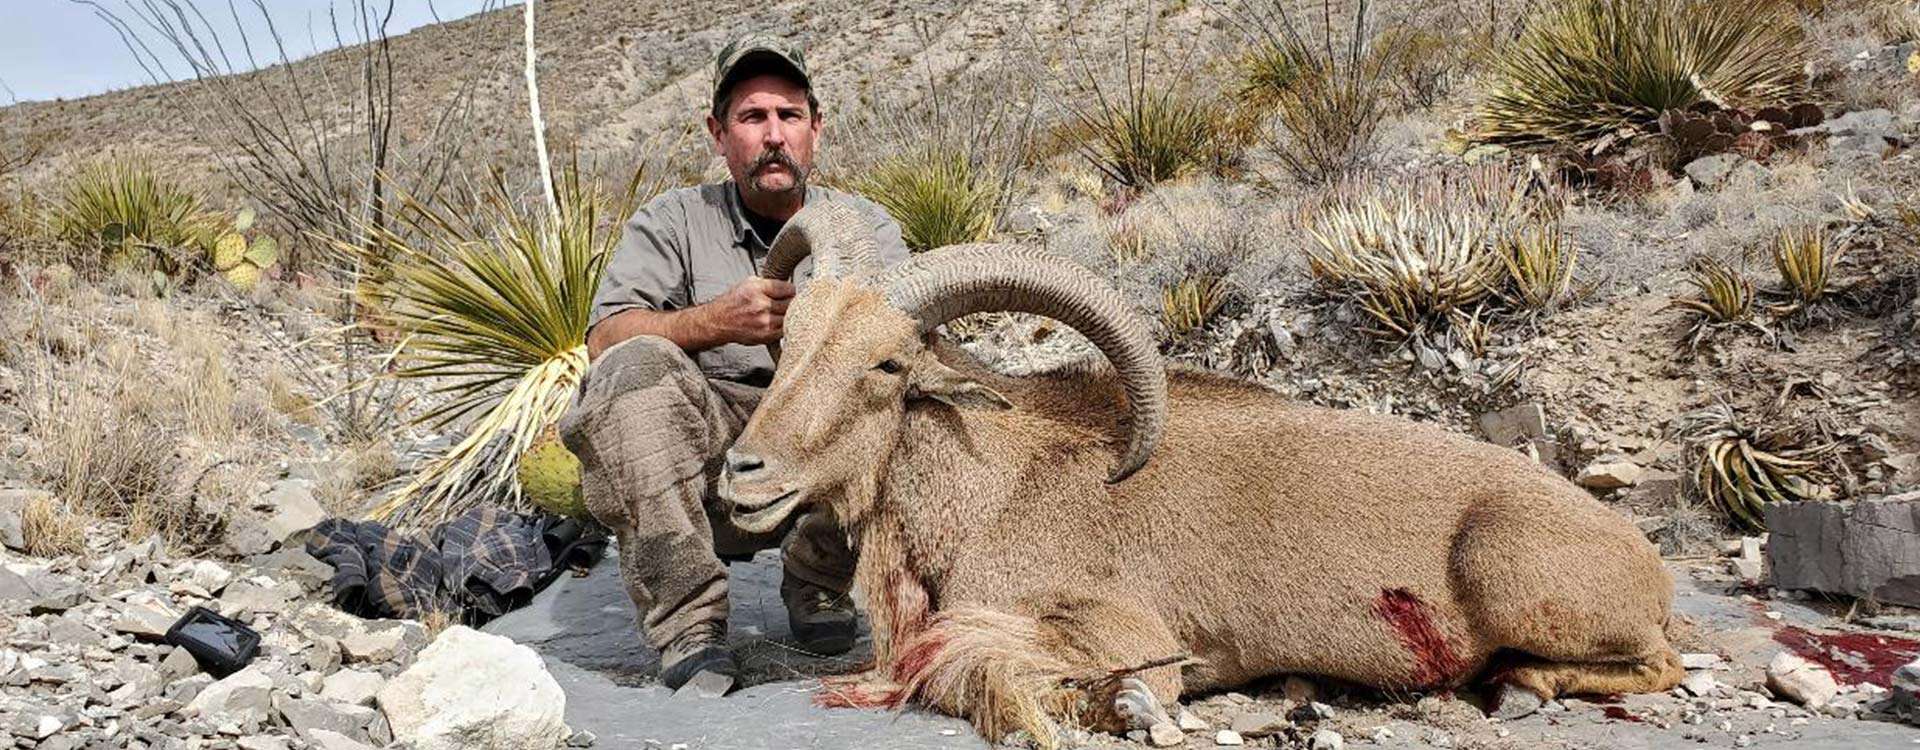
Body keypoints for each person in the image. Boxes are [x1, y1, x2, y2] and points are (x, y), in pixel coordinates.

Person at [558, 33, 909, 690]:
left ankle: (819, 579)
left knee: (901, 398)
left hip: (823, 439)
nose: (773, 135)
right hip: (717, 440)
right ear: (719, 135)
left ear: (815, 129)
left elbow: (904, 342)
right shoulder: (673, 220)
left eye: (788, 116)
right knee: (630, 371)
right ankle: (688, 622)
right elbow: (605, 336)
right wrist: (709, 321)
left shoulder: (869, 228)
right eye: (752, 118)